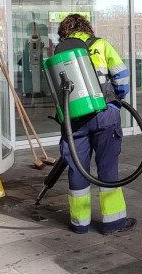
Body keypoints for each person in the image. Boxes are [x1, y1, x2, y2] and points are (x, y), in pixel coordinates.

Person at [54, 13, 135, 235]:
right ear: (86, 28)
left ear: (64, 32)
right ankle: (113, 223)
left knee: (78, 170)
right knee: (108, 169)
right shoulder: (100, 45)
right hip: (104, 116)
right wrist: (116, 101)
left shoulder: (60, 53)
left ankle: (80, 224)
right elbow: (122, 77)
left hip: (74, 121)